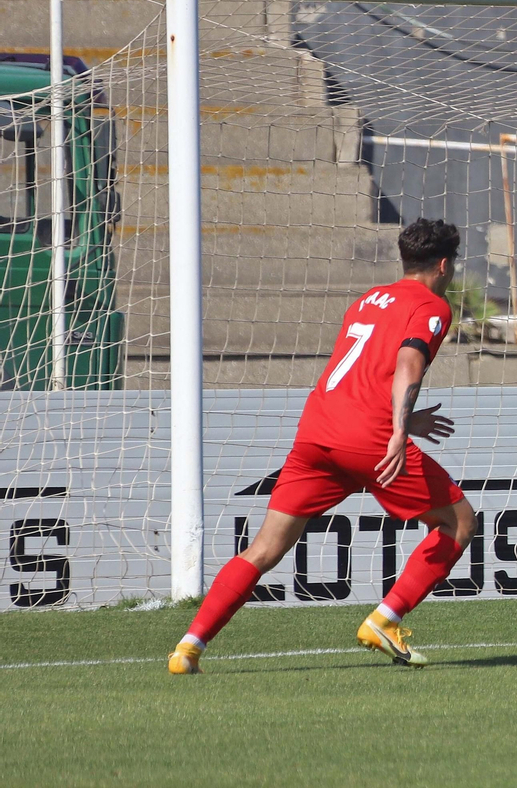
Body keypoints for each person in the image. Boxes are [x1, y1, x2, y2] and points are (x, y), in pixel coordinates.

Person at [168, 219, 472, 673]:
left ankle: (188, 648)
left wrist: (405, 419)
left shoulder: (367, 300)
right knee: (458, 522)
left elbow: (363, 373)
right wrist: (396, 432)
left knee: (265, 549)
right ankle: (385, 620)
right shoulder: (433, 305)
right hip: (368, 438)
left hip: (317, 432)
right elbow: (408, 361)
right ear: (444, 265)